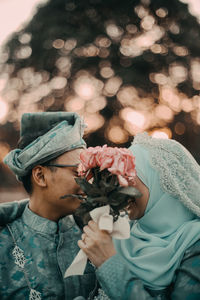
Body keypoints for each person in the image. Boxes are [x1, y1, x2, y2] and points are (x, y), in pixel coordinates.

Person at [78, 132, 200, 300]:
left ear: (159, 184)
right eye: (120, 175)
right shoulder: (122, 234)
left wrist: (108, 262)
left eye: (129, 176)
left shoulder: (195, 245)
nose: (120, 184)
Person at [0, 112, 100, 300]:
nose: (88, 181)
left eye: (88, 172)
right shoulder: (4, 244)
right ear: (40, 176)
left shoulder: (99, 236)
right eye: (78, 171)